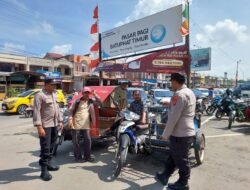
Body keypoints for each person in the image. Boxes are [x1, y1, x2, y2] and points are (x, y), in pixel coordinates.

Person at [155, 73, 196, 190]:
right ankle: (165, 175)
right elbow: (184, 108)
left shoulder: (179, 94)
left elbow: (173, 117)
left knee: (181, 159)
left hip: (180, 133)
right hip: (185, 131)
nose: (170, 84)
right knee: (173, 156)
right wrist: (170, 104)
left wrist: (165, 134)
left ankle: (183, 183)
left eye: (171, 82)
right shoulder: (189, 92)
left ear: (176, 82)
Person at [33, 78, 63, 181]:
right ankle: (44, 170)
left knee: (52, 146)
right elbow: (36, 111)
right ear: (45, 85)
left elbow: (57, 109)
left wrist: (60, 121)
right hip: (45, 126)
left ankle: (49, 164)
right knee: (45, 148)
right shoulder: (39, 95)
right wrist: (39, 127)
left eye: (55, 85)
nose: (54, 87)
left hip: (54, 124)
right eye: (51, 85)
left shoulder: (54, 94)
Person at [68, 87, 101, 162]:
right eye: (85, 93)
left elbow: (100, 102)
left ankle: (87, 156)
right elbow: (71, 111)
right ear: (82, 93)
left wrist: (95, 94)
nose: (86, 94)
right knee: (76, 141)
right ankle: (78, 157)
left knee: (88, 141)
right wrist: (70, 120)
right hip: (76, 124)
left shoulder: (91, 101)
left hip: (86, 124)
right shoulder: (77, 101)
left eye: (88, 93)